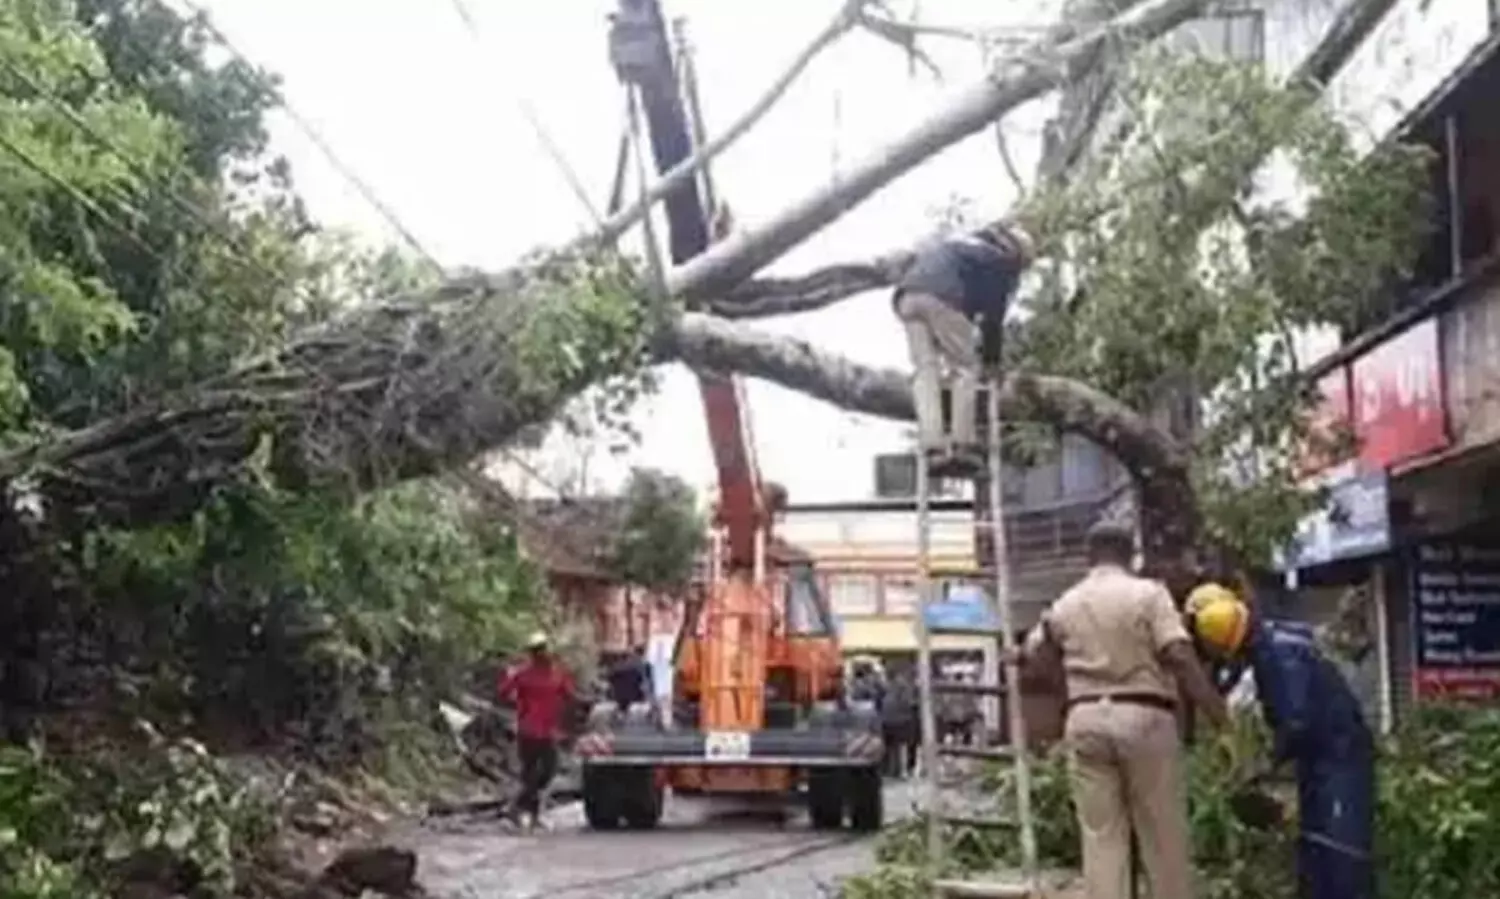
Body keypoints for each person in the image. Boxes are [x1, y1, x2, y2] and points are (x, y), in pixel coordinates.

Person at [1009, 522, 1229, 899]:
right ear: (1131, 556)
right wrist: (1218, 715)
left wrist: (1065, 693)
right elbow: (1178, 654)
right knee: (1162, 835)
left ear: (1089, 556)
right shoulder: (1149, 595)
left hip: (1086, 719)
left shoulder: (1066, 603)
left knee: (1102, 839)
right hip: (1144, 716)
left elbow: (1035, 657)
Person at [1187, 584, 1376, 899]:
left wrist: (1265, 765)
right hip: (1321, 759)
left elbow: (1295, 721)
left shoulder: (1277, 654)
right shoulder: (1272, 640)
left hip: (1339, 758)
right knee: (1317, 847)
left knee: (1340, 853)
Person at [892, 220, 1035, 466]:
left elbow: (968, 309)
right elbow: (992, 321)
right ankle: (963, 444)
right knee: (965, 368)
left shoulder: (968, 247)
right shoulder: (1000, 263)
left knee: (926, 372)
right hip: (941, 297)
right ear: (1016, 255)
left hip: (907, 296)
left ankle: (933, 445)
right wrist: (992, 362)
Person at [497, 631, 577, 832]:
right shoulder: (525, 674)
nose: (541, 653)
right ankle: (521, 813)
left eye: (543, 649)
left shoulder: (555, 674)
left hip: (545, 731)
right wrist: (519, 703)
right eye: (537, 650)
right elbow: (504, 692)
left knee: (546, 771)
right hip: (529, 730)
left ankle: (523, 811)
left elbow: (570, 697)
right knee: (532, 774)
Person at [879, 667, 919, 778]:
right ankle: (901, 770)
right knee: (901, 746)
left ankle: (892, 770)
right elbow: (909, 702)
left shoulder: (887, 686)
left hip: (889, 719)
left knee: (892, 746)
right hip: (901, 719)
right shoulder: (903, 686)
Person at [608, 644, 652, 710]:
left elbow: (610, 680)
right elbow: (645, 683)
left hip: (619, 697)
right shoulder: (642, 665)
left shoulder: (615, 668)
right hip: (635, 698)